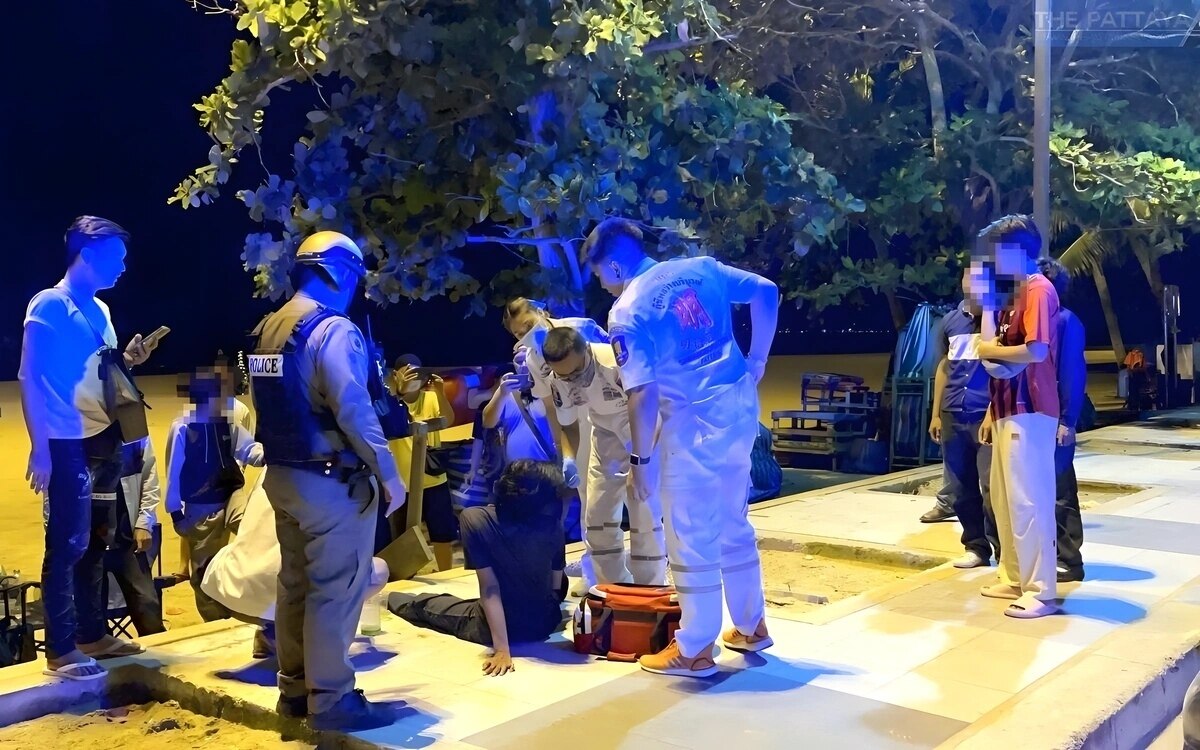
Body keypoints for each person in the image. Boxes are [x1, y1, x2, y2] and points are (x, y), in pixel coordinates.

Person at [583, 217, 778, 678]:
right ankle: (751, 625)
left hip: (693, 427)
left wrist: (641, 461)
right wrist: (757, 360)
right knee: (734, 519)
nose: (601, 283)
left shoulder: (628, 311)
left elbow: (642, 393)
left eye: (598, 274)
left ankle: (693, 649)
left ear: (612, 264)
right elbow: (766, 291)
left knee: (690, 535)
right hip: (738, 412)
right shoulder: (703, 268)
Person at [247, 230, 406, 730]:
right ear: (339, 271)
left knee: (294, 585)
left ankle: (295, 691)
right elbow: (354, 410)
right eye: (356, 276)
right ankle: (332, 699)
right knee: (335, 590)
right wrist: (389, 473)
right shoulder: (332, 329)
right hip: (332, 482)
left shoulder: (268, 328)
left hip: (283, 477)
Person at [20, 216, 158, 681]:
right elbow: (29, 377)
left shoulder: (100, 310)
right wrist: (40, 447)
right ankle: (60, 650)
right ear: (90, 253)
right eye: (116, 257)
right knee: (67, 545)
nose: (123, 267)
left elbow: (101, 370)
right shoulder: (49, 305)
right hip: (65, 444)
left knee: (97, 542)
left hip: (103, 440)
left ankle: (91, 634)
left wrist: (129, 358)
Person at [388, 460, 567, 676]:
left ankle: (389, 599)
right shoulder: (552, 525)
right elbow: (556, 586)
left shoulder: (476, 518)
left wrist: (501, 649)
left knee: (424, 605)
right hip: (545, 622)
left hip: (495, 628)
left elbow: (490, 588)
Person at [201, 469, 391, 659]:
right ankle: (314, 640)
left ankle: (271, 632)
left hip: (227, 588)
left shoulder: (272, 466)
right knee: (377, 570)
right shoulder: (334, 476)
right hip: (282, 594)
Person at [974, 215, 1061, 620]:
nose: (994, 260)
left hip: (1032, 407)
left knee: (1029, 499)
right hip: (1009, 407)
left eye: (998, 252)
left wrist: (987, 352)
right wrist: (993, 409)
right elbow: (999, 347)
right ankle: (1013, 575)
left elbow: (1036, 351)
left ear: (1017, 251)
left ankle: (1041, 590)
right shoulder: (1016, 294)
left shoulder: (1039, 291)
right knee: (1004, 499)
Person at [541, 326, 667, 585]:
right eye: (564, 376)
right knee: (597, 517)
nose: (571, 380)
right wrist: (568, 457)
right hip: (603, 431)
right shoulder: (559, 379)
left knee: (643, 511)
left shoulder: (618, 362)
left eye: (576, 371)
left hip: (641, 429)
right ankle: (613, 587)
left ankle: (650, 587)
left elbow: (651, 410)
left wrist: (639, 462)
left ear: (586, 349)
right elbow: (568, 426)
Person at [502, 299, 608, 591]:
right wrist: (560, 448)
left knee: (624, 492)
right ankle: (593, 567)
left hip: (608, 414)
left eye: (526, 325)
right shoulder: (533, 357)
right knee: (588, 496)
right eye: (516, 333)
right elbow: (550, 403)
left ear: (541, 312)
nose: (523, 334)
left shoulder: (579, 328)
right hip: (575, 424)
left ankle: (643, 564)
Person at [164, 366, 265, 622]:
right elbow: (173, 469)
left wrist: (271, 454)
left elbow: (248, 450)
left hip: (232, 494)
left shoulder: (226, 423)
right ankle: (216, 621)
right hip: (200, 506)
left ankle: (255, 597)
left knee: (251, 527)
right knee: (203, 572)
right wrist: (176, 513)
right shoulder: (183, 428)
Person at [924, 271, 997, 569]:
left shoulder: (996, 320)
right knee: (961, 485)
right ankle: (976, 547)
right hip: (954, 413)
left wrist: (993, 412)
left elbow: (1002, 371)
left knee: (993, 488)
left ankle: (1006, 552)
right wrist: (936, 414)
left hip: (986, 415)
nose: (973, 283)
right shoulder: (950, 321)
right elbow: (944, 366)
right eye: (969, 277)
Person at [1037, 258, 1088, 583]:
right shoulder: (1035, 324)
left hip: (1055, 420)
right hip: (1033, 417)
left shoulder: (1066, 322)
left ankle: (1070, 561)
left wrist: (1067, 421)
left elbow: (1073, 375)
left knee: (1060, 491)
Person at [389, 355, 458, 571]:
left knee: (442, 532)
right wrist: (398, 392)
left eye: (417, 372)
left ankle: (445, 574)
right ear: (395, 375)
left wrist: (439, 391)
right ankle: (405, 576)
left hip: (433, 477)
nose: (413, 377)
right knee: (403, 534)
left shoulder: (430, 397)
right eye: (407, 372)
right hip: (402, 481)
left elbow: (448, 420)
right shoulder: (391, 401)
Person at [104, 437, 166, 636]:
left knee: (147, 605)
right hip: (89, 545)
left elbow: (150, 479)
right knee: (91, 620)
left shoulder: (134, 430)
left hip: (127, 540)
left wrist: (144, 523)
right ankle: (102, 663)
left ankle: (160, 660)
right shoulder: (73, 427)